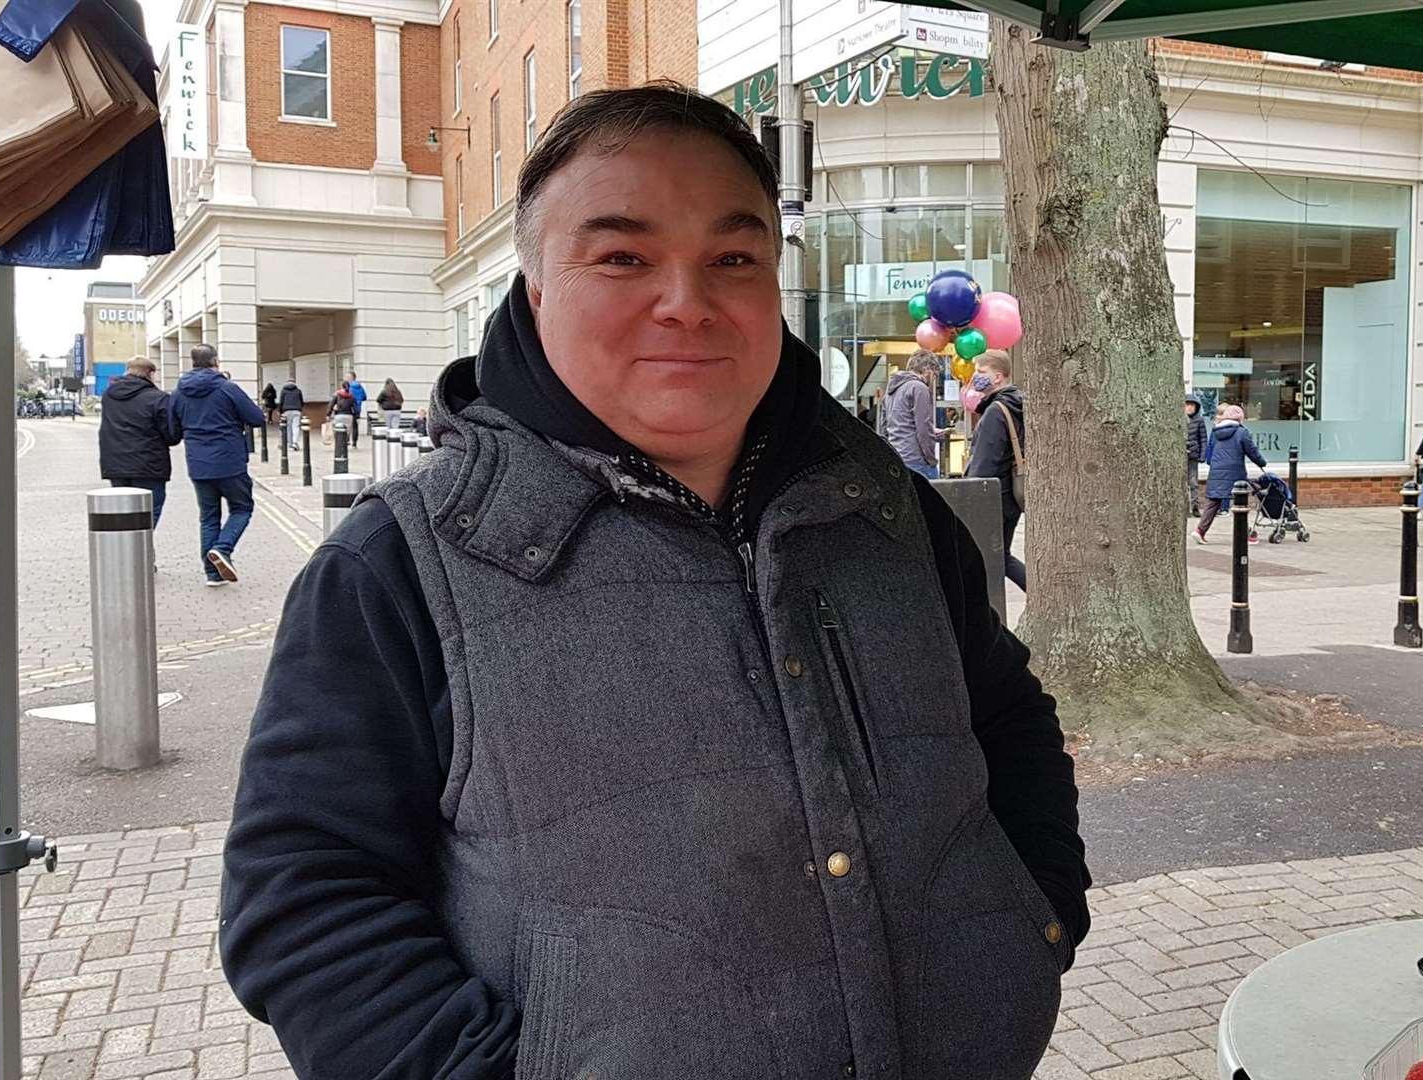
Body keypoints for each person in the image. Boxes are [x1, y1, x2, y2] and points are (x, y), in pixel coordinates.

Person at [220, 83, 1086, 1080]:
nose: (687, 299)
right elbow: (306, 903)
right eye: (623, 256)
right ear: (538, 285)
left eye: (733, 258)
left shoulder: (888, 511)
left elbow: (1009, 719)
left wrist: (1038, 924)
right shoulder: (395, 568)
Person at [168, 345, 265, 586]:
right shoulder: (227, 388)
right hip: (230, 461)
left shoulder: (178, 393)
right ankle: (223, 548)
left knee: (209, 518)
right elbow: (256, 418)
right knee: (242, 508)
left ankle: (212, 574)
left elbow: (172, 432)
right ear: (215, 362)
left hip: (198, 464)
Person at [967, 348, 1029, 591]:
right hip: (1010, 495)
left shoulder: (995, 411)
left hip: (994, 498)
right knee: (999, 557)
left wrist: (971, 496)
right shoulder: (1016, 406)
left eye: (981, 372)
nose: (976, 377)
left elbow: (985, 462)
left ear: (998, 377)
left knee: (994, 558)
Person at [97, 358, 180, 527]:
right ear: (150, 374)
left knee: (123, 515)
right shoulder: (158, 398)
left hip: (116, 466)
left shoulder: (109, 395)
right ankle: (141, 551)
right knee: (148, 515)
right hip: (149, 466)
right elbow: (171, 435)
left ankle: (126, 551)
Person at [1195, 403, 1268, 544]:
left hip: (1216, 471)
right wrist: (1262, 463)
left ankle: (1199, 531)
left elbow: (1211, 450)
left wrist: (1212, 464)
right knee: (1240, 503)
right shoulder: (1242, 432)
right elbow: (1252, 451)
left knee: (1214, 502)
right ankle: (1246, 535)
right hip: (1235, 472)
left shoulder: (1216, 431)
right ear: (1240, 418)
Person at [882, 350, 946, 478]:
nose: (933, 380)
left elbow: (885, 426)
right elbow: (923, 428)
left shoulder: (891, 390)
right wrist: (931, 459)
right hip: (917, 460)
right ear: (928, 370)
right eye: (934, 375)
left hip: (897, 457)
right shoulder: (919, 388)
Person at [1185, 397, 1207, 516]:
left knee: (1193, 482)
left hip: (1193, 456)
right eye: (1187, 405)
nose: (1189, 407)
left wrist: (1202, 455)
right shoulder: (1179, 419)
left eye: (1192, 405)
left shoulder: (1199, 420)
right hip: (1181, 456)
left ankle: (1195, 506)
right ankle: (1183, 507)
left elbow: (1203, 439)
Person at [278, 377, 305, 450]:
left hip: (286, 411)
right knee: (296, 427)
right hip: (297, 410)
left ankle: (290, 443)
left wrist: (280, 411)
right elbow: (302, 401)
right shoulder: (298, 391)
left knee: (288, 427)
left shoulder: (283, 391)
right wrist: (300, 408)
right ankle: (295, 442)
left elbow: (281, 401)